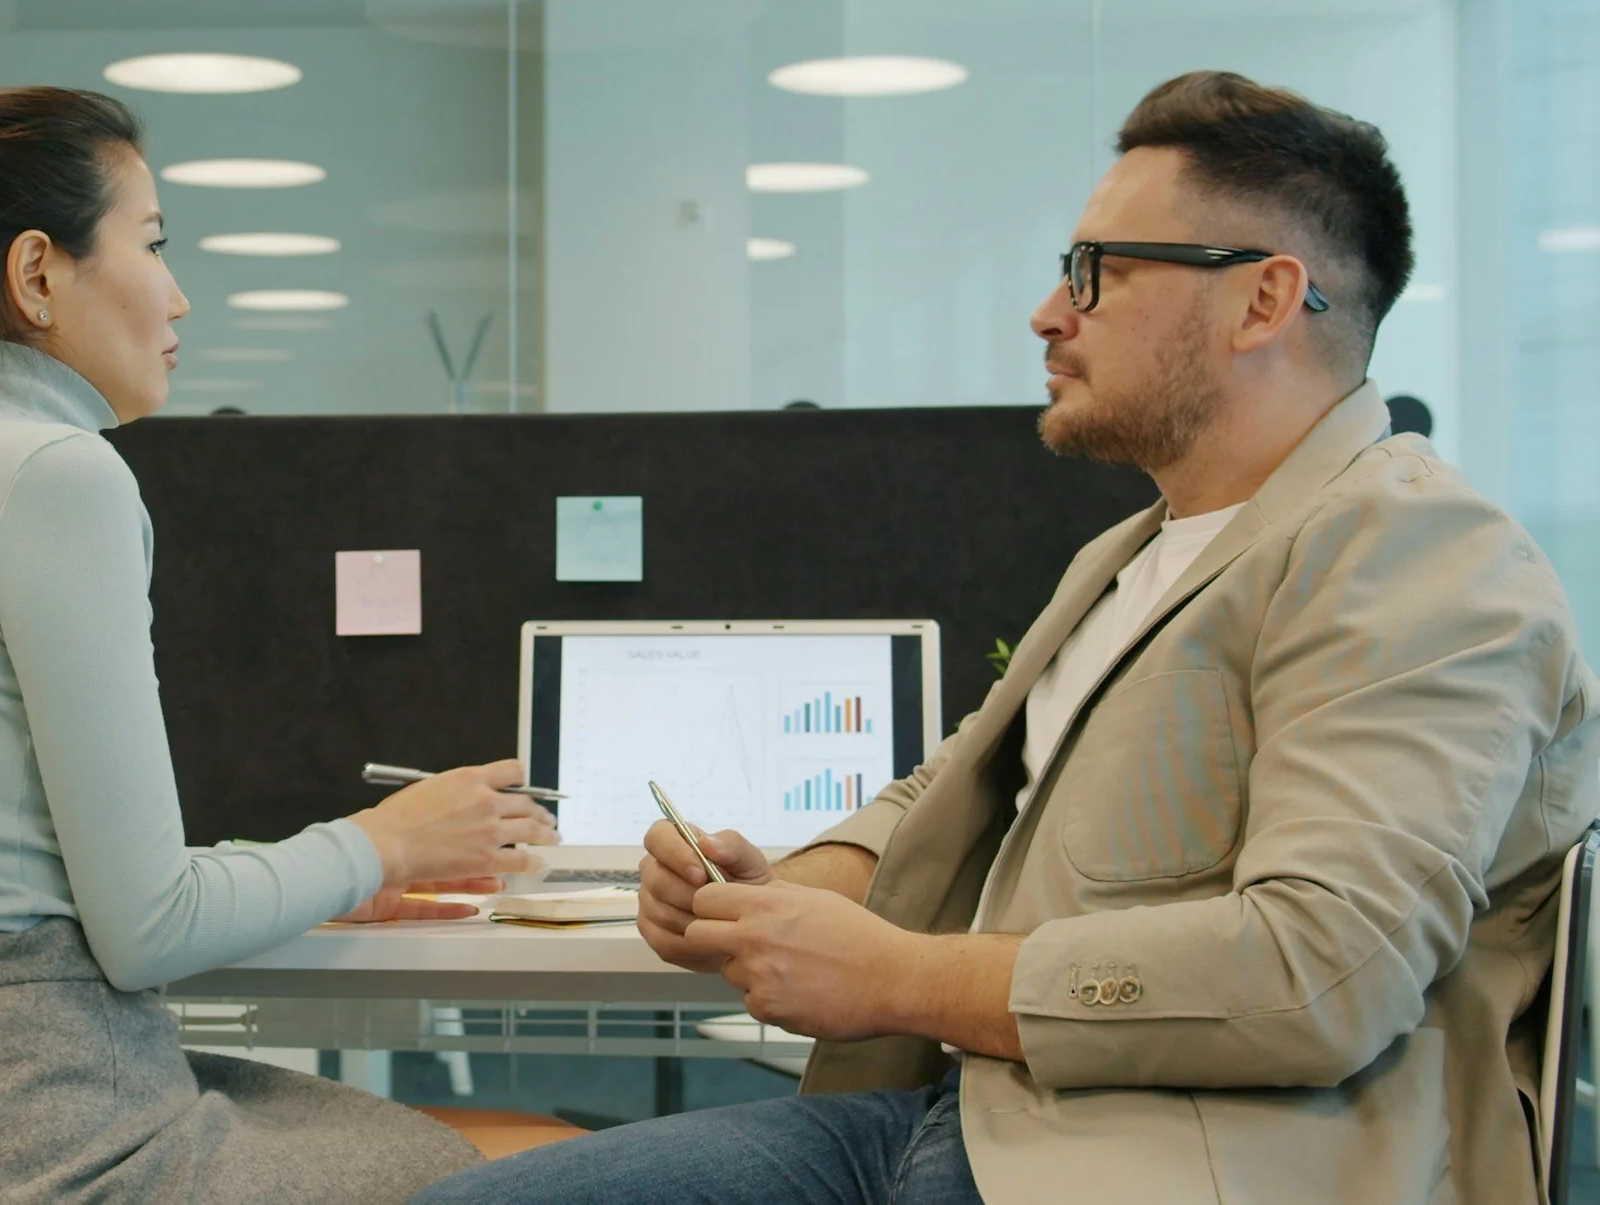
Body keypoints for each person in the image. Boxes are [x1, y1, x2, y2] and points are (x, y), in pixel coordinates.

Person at [418, 72, 1598, 1205]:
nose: (1049, 312)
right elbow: (963, 780)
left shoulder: (1418, 552)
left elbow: (1318, 974)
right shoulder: (1137, 550)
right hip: (979, 1115)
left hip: (1187, 1162)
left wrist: (893, 974)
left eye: (1097, 271)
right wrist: (781, 888)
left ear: (1262, 299)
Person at [0, 74, 575, 1203]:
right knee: (541, 1160)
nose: (179, 297)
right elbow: (147, 927)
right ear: (36, 274)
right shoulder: (55, 473)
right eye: (152, 244)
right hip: (43, 1135)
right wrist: (384, 842)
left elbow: (61, 888)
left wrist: (321, 876)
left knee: (498, 1140)